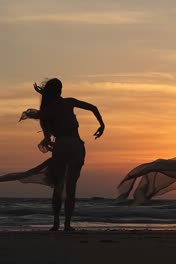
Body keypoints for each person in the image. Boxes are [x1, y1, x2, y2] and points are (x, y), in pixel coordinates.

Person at [21, 78, 105, 231]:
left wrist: (45, 94)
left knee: (58, 185)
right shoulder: (68, 102)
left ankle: (55, 223)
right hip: (75, 145)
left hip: (60, 146)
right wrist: (102, 125)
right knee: (71, 186)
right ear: (60, 90)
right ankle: (67, 224)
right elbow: (93, 107)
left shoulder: (47, 110)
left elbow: (46, 128)